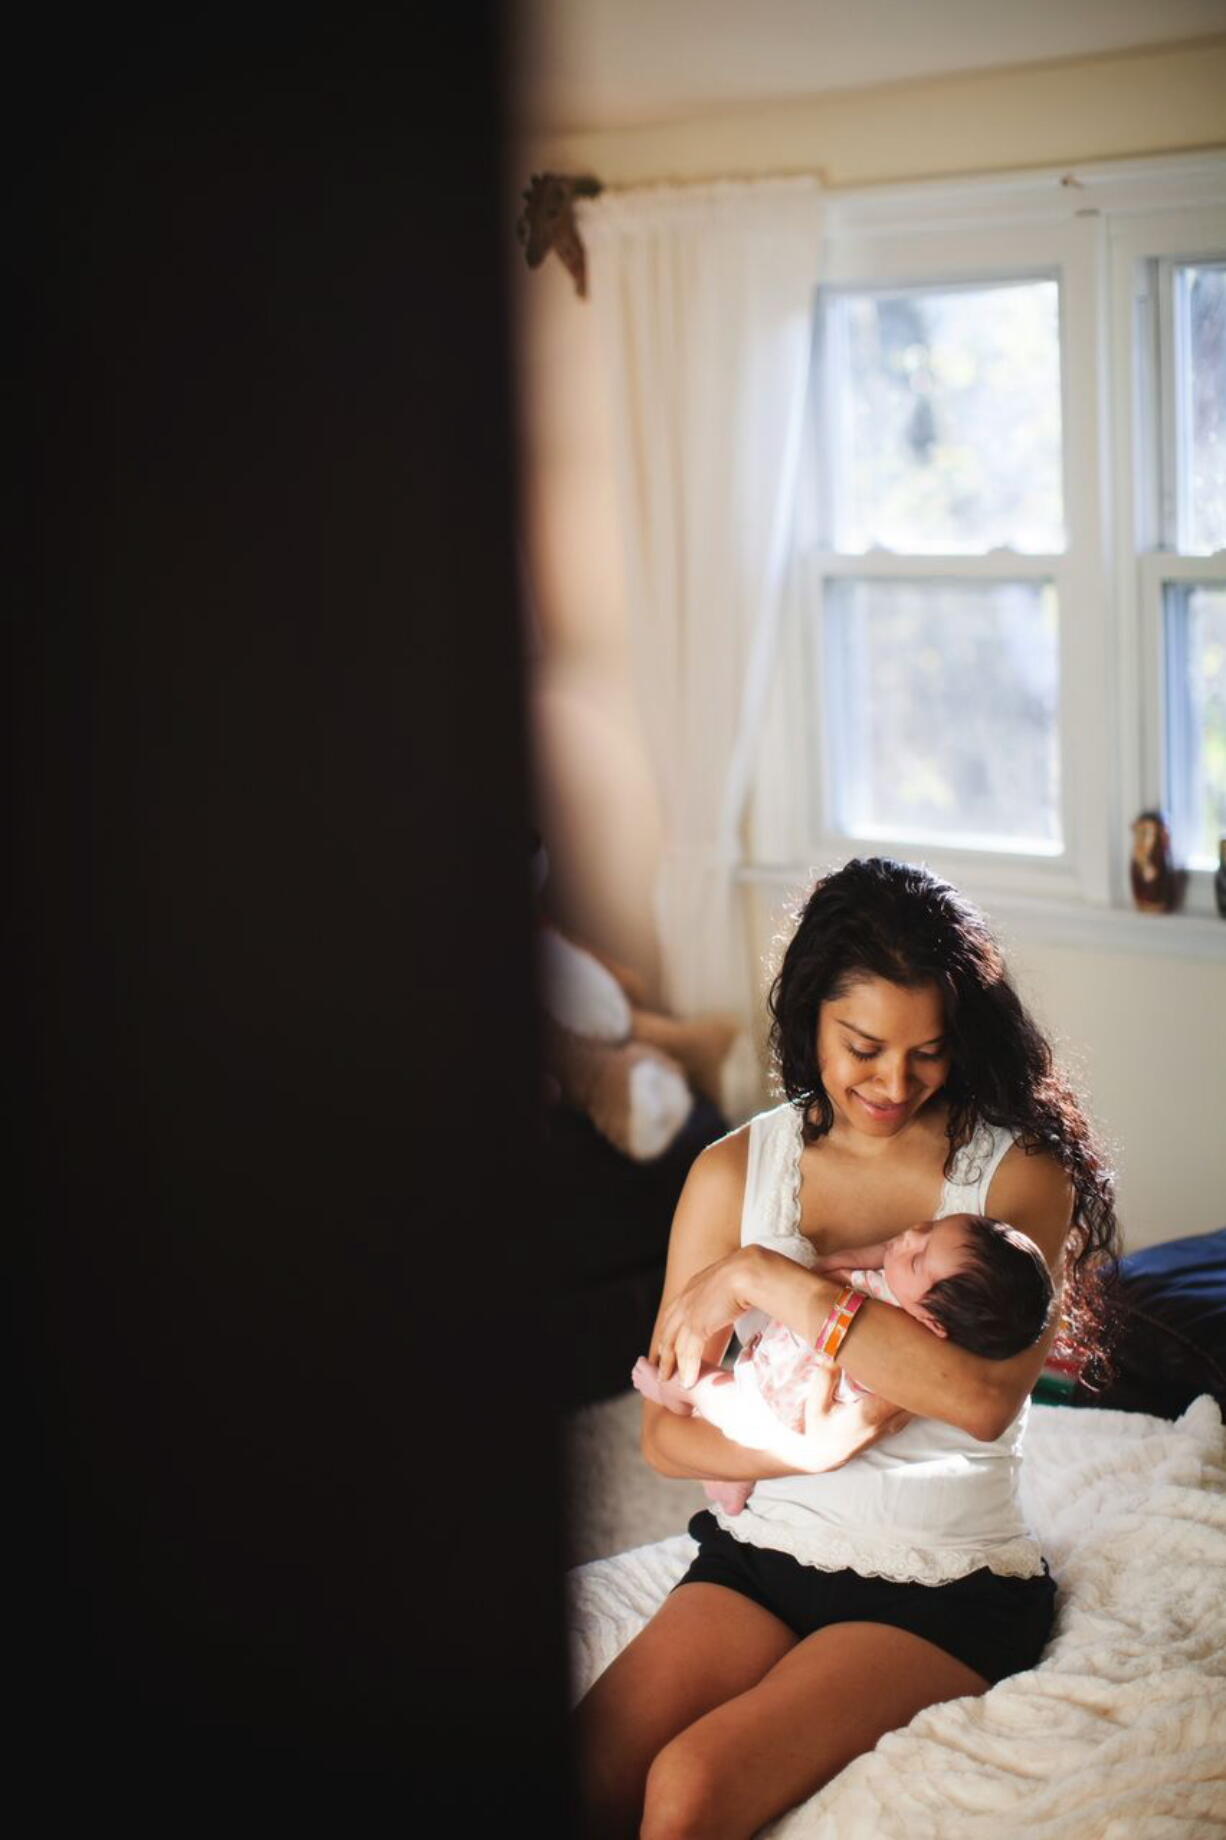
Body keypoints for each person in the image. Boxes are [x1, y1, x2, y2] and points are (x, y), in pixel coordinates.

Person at [575, 856, 1117, 1840]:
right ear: (807, 1018)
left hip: (938, 1579)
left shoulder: (1020, 1175)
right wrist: (807, 1452)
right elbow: (662, 1438)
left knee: (689, 1784)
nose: (892, 1082)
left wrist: (762, 1275)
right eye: (862, 1045)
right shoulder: (731, 1172)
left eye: (927, 1052)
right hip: (765, 1554)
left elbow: (976, 1393)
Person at [631, 1211, 1054, 1515]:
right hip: (777, 1356)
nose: (908, 1238)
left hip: (782, 1409)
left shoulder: (912, 1341)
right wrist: (837, 1266)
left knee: (714, 1393)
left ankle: (679, 1392)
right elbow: (875, 1253)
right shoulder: (907, 1283)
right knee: (734, 1390)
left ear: (932, 1322)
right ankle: (727, 1476)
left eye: (917, 1256)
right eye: (928, 1228)